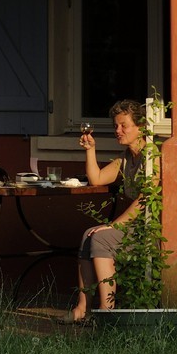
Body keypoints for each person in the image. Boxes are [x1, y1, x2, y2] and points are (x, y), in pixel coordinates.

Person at [70, 98, 149, 321]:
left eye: (124, 125)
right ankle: (82, 309)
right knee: (88, 235)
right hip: (131, 227)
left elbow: (145, 200)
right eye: (115, 125)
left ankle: (108, 311)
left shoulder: (151, 158)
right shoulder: (126, 158)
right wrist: (90, 150)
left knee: (101, 238)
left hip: (148, 230)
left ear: (140, 127)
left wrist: (114, 225)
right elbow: (96, 179)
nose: (118, 130)